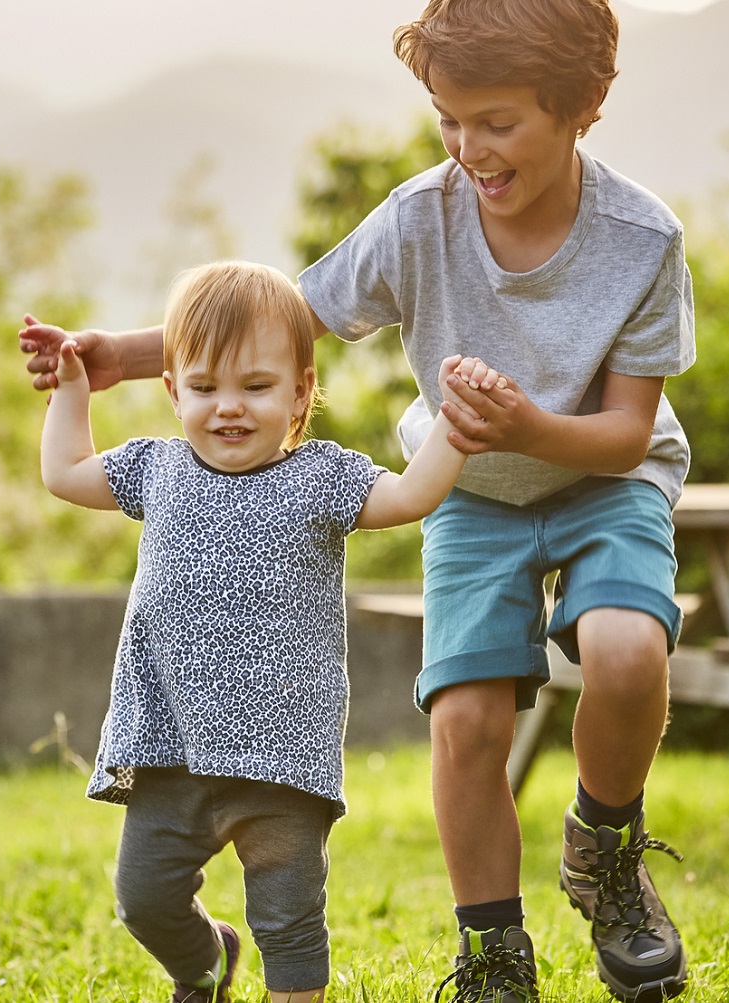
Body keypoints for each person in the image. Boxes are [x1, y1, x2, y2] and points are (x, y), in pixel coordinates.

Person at [22, 1, 697, 997]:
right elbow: (284, 315)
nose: (469, 149)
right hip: (468, 486)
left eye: (497, 122)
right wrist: (119, 355)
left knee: (627, 651)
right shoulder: (419, 217)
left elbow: (626, 432)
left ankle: (604, 842)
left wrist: (523, 428)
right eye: (447, 120)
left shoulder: (641, 239)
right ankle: (493, 951)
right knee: (467, 719)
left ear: (580, 107)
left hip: (605, 477)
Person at [40, 260, 469, 1003]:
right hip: (169, 747)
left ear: (301, 390)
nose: (227, 407)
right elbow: (66, 470)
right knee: (143, 899)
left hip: (283, 758)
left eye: (256, 386)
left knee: (290, 920)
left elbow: (409, 494)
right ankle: (205, 963)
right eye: (204, 387)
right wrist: (73, 386)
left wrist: (456, 429)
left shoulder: (323, 477)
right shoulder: (156, 468)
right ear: (172, 390)